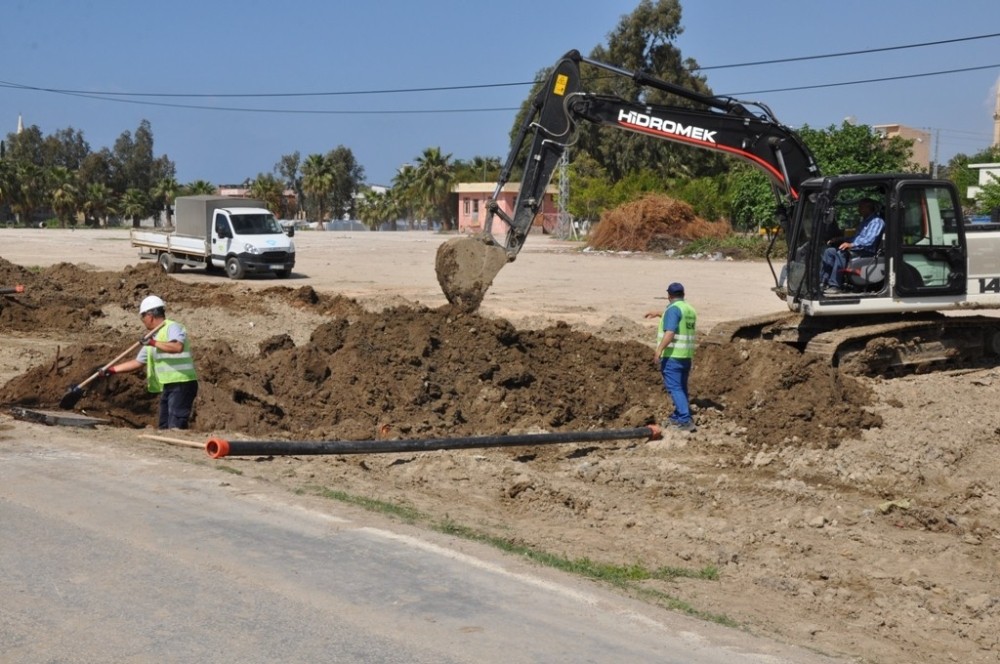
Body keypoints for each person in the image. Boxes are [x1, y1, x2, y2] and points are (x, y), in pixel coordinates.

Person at [102, 295, 199, 429]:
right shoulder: (153, 337)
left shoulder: (172, 327)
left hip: (182, 384)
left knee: (175, 425)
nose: (143, 321)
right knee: (164, 425)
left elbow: (177, 347)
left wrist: (152, 343)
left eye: (143, 317)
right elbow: (137, 362)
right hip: (168, 385)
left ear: (150, 316)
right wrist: (111, 370)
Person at [644, 282, 697, 432]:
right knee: (681, 387)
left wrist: (659, 350)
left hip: (673, 356)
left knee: (674, 387)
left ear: (669, 295)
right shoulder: (689, 309)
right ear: (683, 294)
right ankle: (679, 414)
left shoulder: (673, 310)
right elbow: (678, 319)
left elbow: (670, 332)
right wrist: (660, 314)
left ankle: (685, 420)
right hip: (686, 356)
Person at [820, 197, 885, 295]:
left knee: (841, 252)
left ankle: (835, 285)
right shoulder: (865, 221)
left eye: (860, 207)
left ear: (868, 208)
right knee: (830, 251)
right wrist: (840, 239)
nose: (858, 209)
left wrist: (851, 244)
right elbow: (856, 238)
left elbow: (869, 241)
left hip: (866, 251)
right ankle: (823, 281)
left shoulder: (877, 221)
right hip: (858, 248)